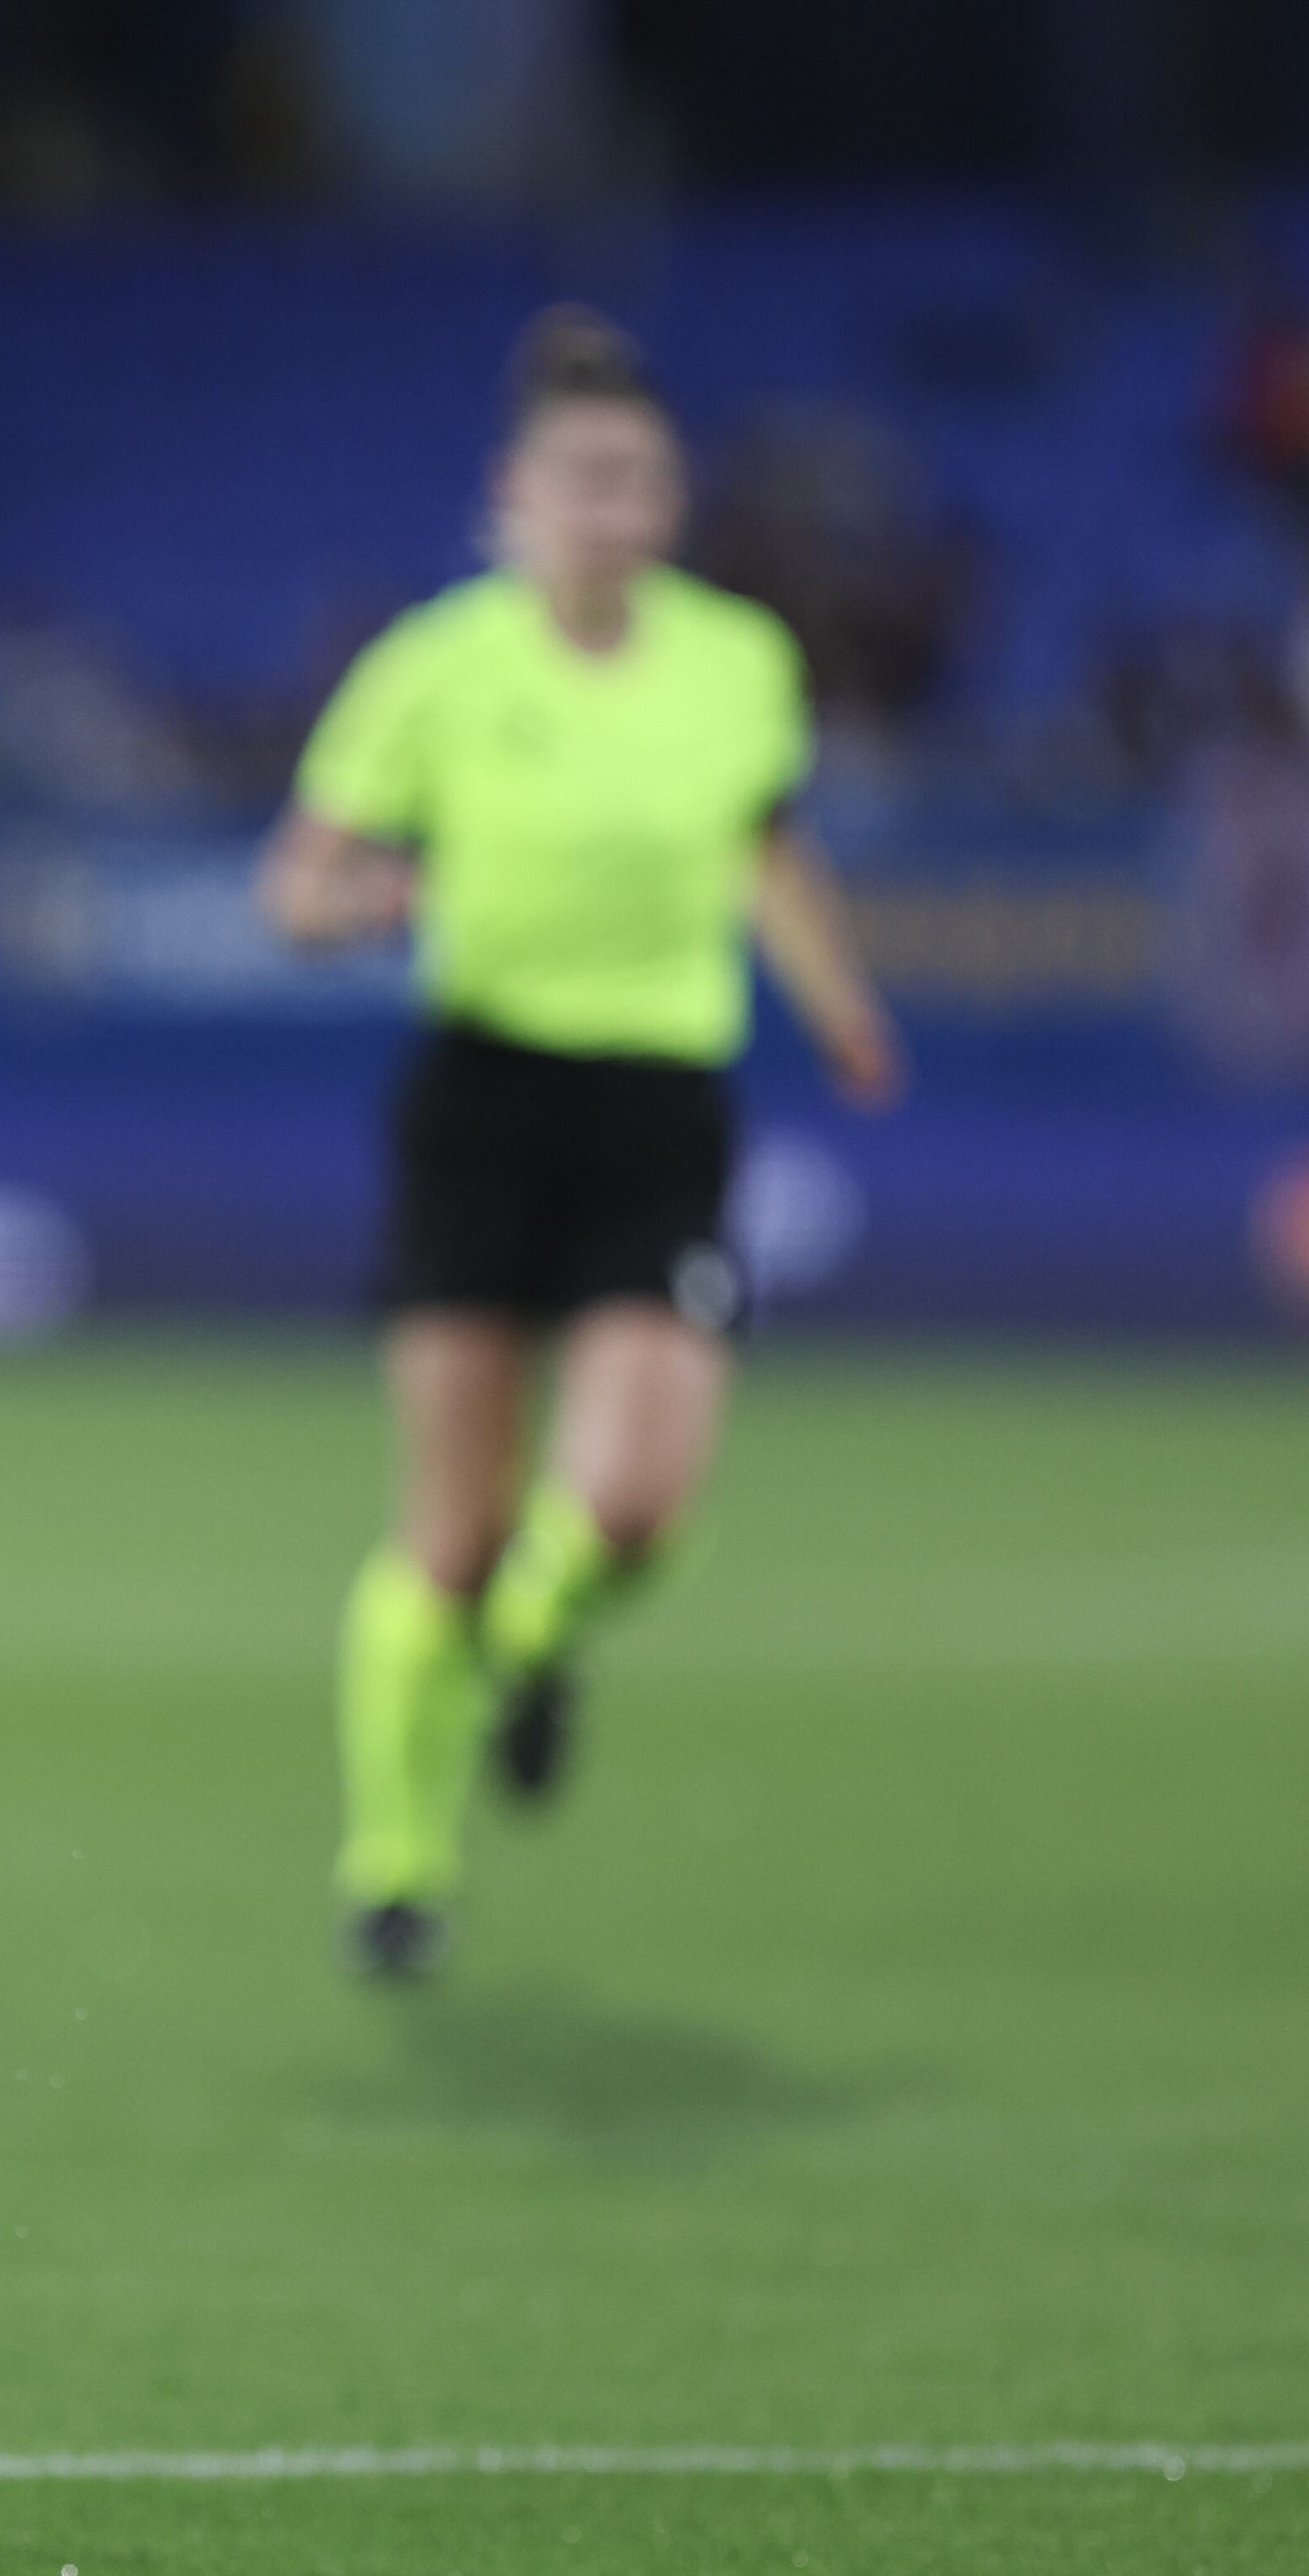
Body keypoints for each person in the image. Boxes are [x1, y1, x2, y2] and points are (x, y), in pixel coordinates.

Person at [256, 306, 903, 1979]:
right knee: (450, 1526)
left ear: (672, 502)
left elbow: (767, 854)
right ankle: (394, 1862)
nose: (610, 508)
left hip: (653, 1110)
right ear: (512, 495)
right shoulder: (435, 667)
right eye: (580, 477)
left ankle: (532, 1650)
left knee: (628, 1500)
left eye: (638, 479)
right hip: (481, 1105)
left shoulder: (735, 664)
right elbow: (297, 882)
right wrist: (360, 899)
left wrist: (837, 1000)